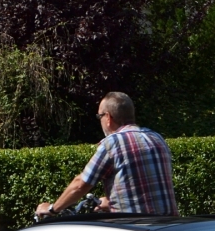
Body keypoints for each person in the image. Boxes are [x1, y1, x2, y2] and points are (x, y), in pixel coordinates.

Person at [35, 92, 178, 218]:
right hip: (167, 227)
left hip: (136, 230)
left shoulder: (113, 143)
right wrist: (110, 201)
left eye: (99, 116)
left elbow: (81, 184)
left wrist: (52, 209)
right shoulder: (157, 138)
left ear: (108, 117)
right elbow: (147, 189)